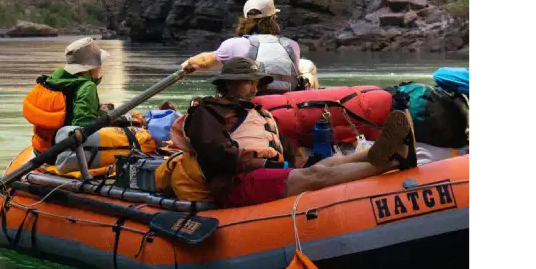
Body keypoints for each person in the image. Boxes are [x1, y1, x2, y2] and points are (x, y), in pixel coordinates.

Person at [173, 57, 416, 207]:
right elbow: (215, 153)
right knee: (314, 176)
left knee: (322, 167)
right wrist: (266, 166)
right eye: (248, 81)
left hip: (265, 176)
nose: (255, 87)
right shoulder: (207, 113)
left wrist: (306, 161)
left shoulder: (261, 113)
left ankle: (381, 150)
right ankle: (392, 163)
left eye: (256, 82)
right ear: (228, 84)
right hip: (236, 184)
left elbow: (288, 149)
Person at [179, 0, 305, 95]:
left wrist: (188, 64)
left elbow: (204, 61)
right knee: (308, 67)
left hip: (255, 103)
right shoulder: (292, 45)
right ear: (272, 19)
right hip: (288, 106)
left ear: (245, 19)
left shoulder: (233, 45)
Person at [22, 37, 123, 154]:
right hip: (63, 154)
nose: (100, 67)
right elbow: (84, 127)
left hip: (41, 151)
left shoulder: (54, 81)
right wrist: (107, 117)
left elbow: (69, 110)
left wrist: (98, 110)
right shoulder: (87, 87)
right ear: (91, 66)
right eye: (99, 63)